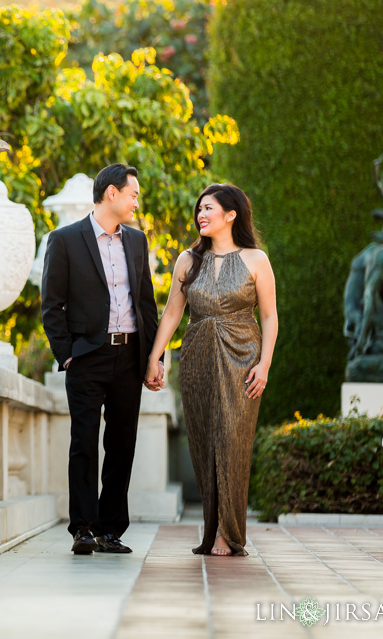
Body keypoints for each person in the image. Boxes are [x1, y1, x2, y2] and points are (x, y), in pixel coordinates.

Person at [145, 183, 278, 556]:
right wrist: (156, 358)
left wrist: (264, 364)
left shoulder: (256, 260)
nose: (201, 215)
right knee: (204, 441)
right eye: (199, 209)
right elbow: (173, 312)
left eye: (209, 208)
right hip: (197, 354)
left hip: (243, 354)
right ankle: (212, 524)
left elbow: (269, 316)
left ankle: (227, 532)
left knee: (232, 439)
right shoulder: (188, 260)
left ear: (231, 214)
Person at [41, 163, 162, 555]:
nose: (136, 201)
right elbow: (51, 306)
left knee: (122, 443)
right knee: (84, 442)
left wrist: (152, 358)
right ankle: (84, 528)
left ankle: (111, 530)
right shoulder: (64, 240)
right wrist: (68, 355)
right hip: (87, 357)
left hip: (129, 355)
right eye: (133, 194)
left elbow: (146, 305)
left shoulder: (138, 241)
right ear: (112, 193)